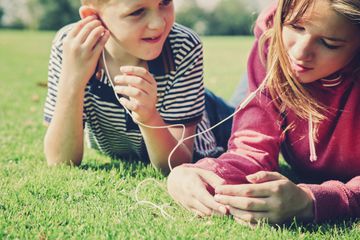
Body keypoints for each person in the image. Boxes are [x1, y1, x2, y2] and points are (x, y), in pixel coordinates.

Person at [167, 0, 360, 224]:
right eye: (296, 26)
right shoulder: (272, 41)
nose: (299, 53)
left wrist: (315, 201)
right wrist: (197, 173)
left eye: (329, 43)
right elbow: (251, 147)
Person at [43, 0, 234, 174]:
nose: (158, 23)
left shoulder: (182, 46)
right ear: (93, 17)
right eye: (137, 12)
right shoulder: (71, 47)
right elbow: (60, 160)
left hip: (219, 120)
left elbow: (176, 164)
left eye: (165, 2)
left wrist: (149, 117)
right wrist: (72, 82)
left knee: (256, 127)